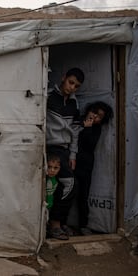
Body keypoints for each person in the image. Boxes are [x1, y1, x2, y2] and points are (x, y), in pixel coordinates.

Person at [46, 67, 84, 240]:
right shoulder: (48, 97)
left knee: (64, 186)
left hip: (65, 150)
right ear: (63, 78)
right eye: (71, 82)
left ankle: (58, 223)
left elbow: (75, 131)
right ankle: (54, 224)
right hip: (50, 147)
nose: (72, 88)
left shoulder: (74, 104)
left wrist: (73, 155)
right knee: (70, 184)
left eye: (76, 86)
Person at [75, 101, 113, 235]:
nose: (95, 116)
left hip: (85, 165)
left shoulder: (96, 129)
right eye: (94, 112)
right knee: (67, 193)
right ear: (89, 110)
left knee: (83, 195)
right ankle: (60, 224)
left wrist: (88, 127)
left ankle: (83, 225)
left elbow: (89, 144)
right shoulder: (77, 120)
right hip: (71, 162)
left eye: (99, 116)